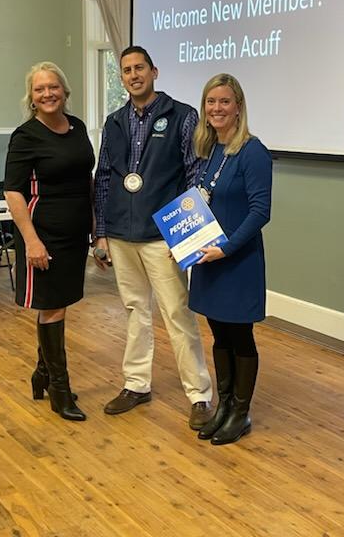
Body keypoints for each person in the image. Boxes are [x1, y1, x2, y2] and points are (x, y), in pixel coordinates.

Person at [93, 45, 213, 430]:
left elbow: (196, 174)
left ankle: (199, 395)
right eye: (127, 70)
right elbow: (104, 178)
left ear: (154, 71)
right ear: (122, 78)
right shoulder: (114, 122)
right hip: (121, 233)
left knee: (177, 313)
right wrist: (100, 233)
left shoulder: (182, 116)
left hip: (163, 236)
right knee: (135, 311)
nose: (134, 75)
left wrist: (188, 237)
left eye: (140, 68)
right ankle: (136, 384)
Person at [4, 61, 95, 422]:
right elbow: (14, 192)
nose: (48, 94)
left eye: (53, 87)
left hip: (75, 234)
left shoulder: (78, 128)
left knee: (61, 303)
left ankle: (42, 373)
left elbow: (86, 180)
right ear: (31, 97)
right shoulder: (25, 136)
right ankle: (59, 388)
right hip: (44, 234)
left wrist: (94, 227)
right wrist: (31, 241)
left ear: (64, 91)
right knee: (52, 306)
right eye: (40, 89)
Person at [189, 73, 272, 445]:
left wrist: (226, 248)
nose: (217, 108)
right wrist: (186, 242)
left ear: (238, 107)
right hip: (209, 260)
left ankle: (240, 412)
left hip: (237, 260)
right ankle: (223, 407)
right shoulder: (210, 150)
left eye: (224, 101)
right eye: (211, 102)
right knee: (219, 334)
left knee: (240, 336)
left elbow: (260, 212)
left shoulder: (253, 152)